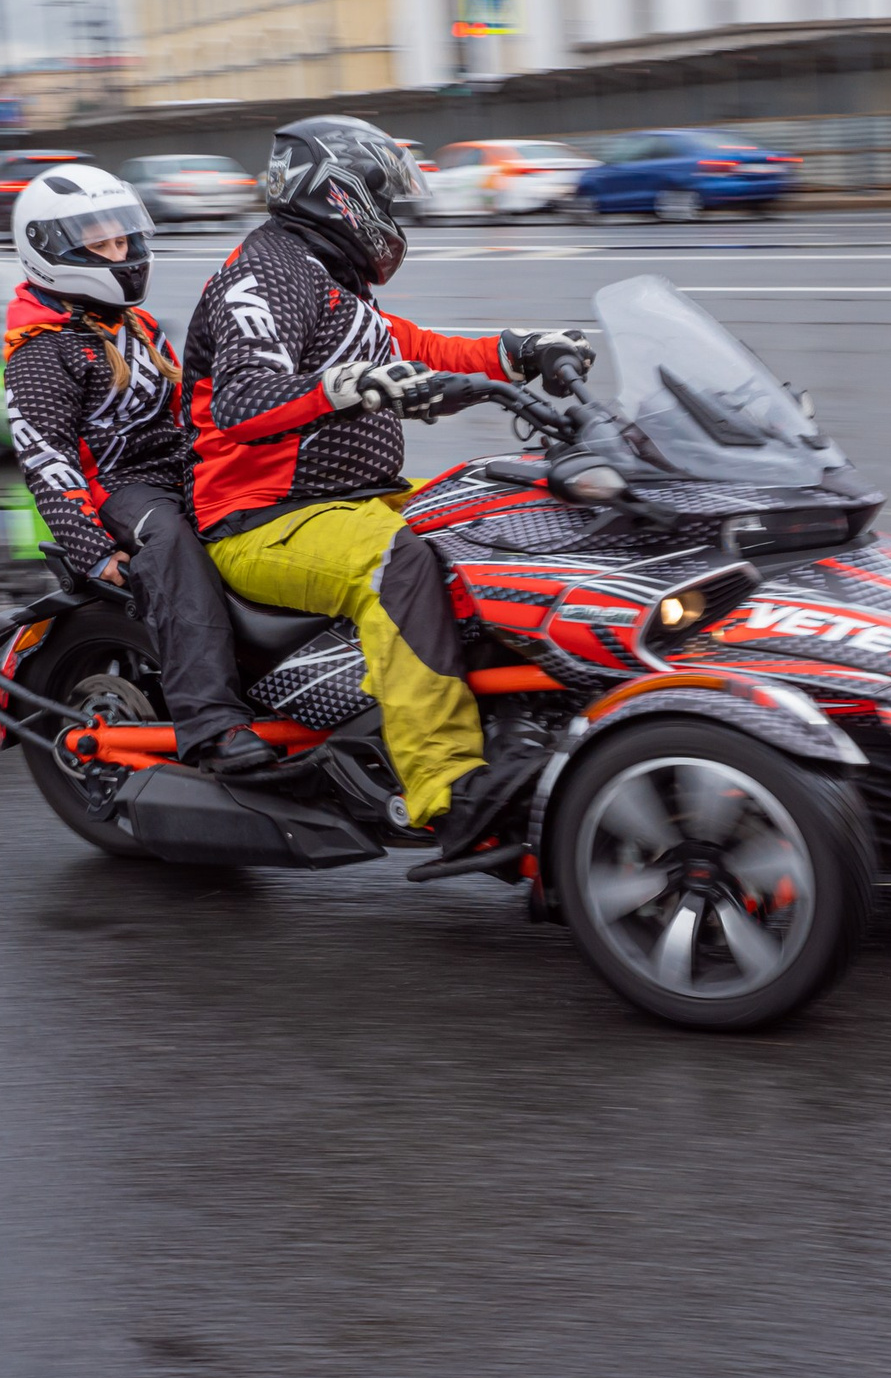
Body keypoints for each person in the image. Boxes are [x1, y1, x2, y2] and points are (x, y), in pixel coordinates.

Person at [181, 115, 592, 851]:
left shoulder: (328, 281)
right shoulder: (263, 272)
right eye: (386, 200)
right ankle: (447, 785)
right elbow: (243, 400)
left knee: (503, 500)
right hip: (262, 515)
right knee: (394, 563)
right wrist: (340, 387)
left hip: (349, 498)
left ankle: (533, 717)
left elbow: (418, 347)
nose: (394, 217)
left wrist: (521, 351)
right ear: (340, 194)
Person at [1, 163, 274, 776]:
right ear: (49, 249)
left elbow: (191, 413)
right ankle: (212, 724)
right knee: (173, 545)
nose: (118, 253)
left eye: (121, 238)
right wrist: (94, 552)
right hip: (121, 489)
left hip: (180, 469)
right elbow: (46, 459)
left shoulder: (137, 327)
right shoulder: (40, 349)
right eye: (98, 243)